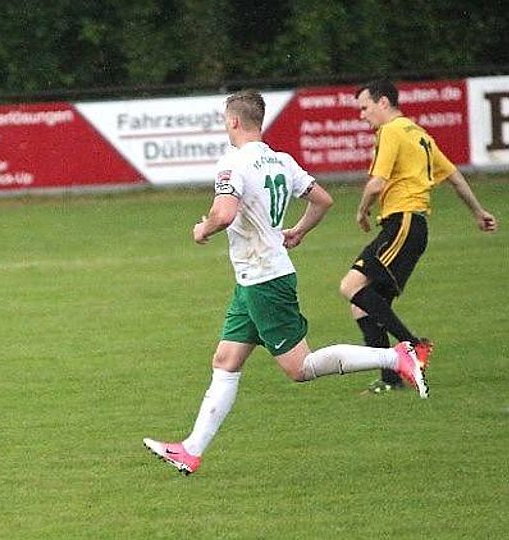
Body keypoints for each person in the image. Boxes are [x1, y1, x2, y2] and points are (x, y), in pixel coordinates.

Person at [143, 90, 429, 476]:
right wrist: (298, 231)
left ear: (233, 122)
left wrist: (202, 229)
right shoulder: (281, 160)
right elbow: (323, 200)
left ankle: (397, 357)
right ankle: (190, 451)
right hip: (254, 279)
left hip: (264, 280)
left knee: (300, 367)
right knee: (226, 360)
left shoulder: (232, 162)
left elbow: (224, 214)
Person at [340, 79, 498, 394]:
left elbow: (377, 182)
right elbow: (455, 177)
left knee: (350, 286)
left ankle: (412, 345)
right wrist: (478, 211)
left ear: (383, 102)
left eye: (365, 108)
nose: (362, 115)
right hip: (413, 227)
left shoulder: (391, 130)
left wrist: (361, 211)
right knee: (363, 306)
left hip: (403, 222)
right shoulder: (420, 134)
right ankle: (390, 381)